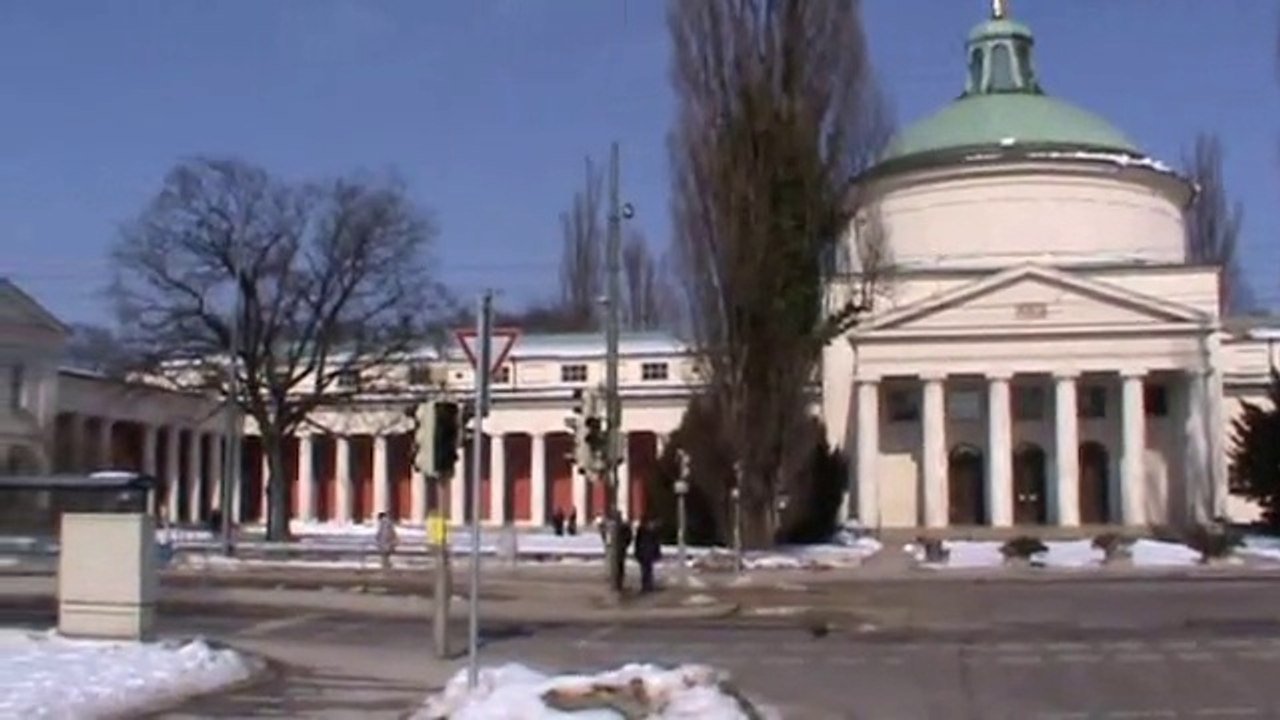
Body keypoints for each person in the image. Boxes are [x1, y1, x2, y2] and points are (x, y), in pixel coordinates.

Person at [634, 519, 662, 593]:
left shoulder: (650, 531)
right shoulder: (646, 531)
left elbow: (656, 544)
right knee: (646, 570)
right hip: (645, 553)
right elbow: (638, 543)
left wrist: (657, 553)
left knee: (647, 570)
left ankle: (647, 585)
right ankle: (647, 585)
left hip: (646, 553)